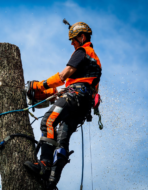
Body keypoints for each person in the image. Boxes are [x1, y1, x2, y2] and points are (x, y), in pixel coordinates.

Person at [24, 21, 102, 189]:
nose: (72, 43)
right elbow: (92, 90)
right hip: (82, 105)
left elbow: (64, 74)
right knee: (62, 140)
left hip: (75, 96)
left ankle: (44, 164)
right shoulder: (95, 60)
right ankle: (51, 181)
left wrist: (41, 85)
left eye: (73, 39)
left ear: (82, 37)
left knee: (48, 121)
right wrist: (56, 94)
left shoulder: (82, 51)